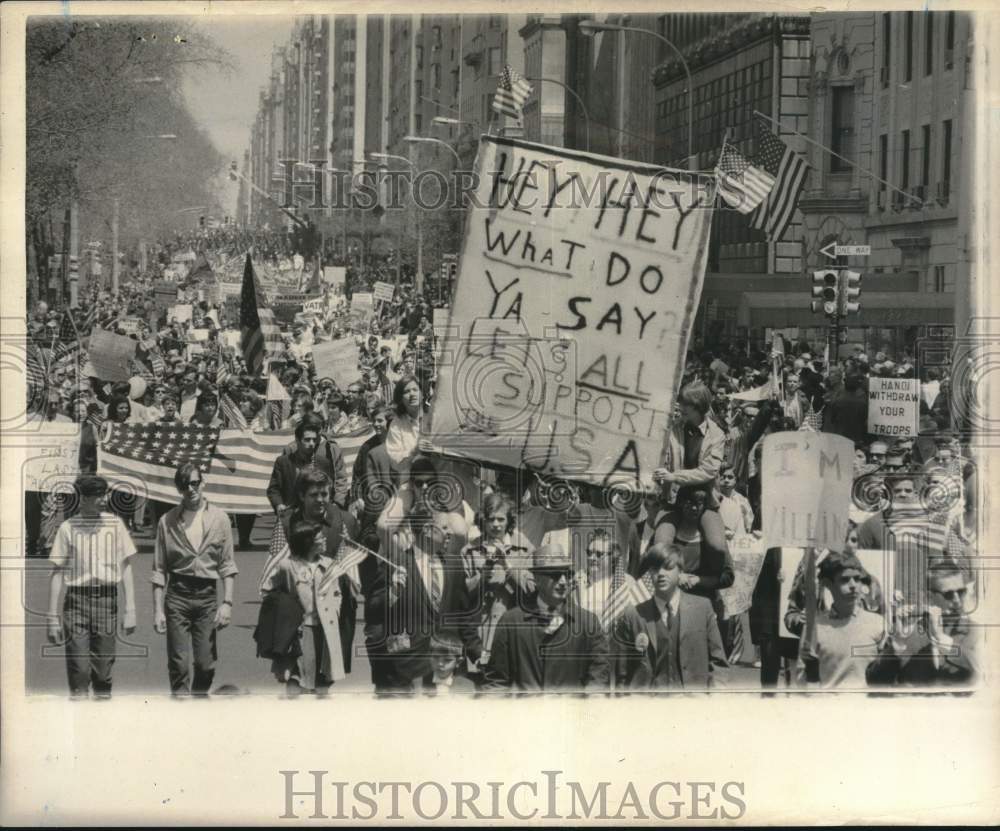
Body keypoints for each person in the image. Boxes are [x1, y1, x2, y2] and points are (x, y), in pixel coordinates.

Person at [46, 475, 137, 698]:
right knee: (79, 670)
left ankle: (101, 719)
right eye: (98, 496)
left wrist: (130, 610)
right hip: (76, 603)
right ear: (83, 498)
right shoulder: (68, 528)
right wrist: (51, 617)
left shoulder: (115, 525)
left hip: (107, 604)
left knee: (103, 674)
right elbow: (57, 572)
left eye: (105, 494)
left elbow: (126, 567)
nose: (104, 499)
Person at [152, 462, 238, 695]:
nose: (191, 489)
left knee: (205, 664)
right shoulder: (167, 521)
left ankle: (199, 701)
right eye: (185, 485)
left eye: (195, 483)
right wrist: (158, 609)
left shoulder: (220, 519)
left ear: (203, 483)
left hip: (207, 597)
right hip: (177, 596)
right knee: (178, 663)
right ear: (179, 489)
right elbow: (159, 569)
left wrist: (227, 603)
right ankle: (181, 710)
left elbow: (227, 564)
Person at [481, 543, 610, 694]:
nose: (563, 581)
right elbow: (496, 683)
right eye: (555, 575)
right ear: (537, 578)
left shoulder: (588, 623)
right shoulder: (511, 622)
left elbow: (598, 677)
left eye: (567, 574)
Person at [614, 543, 729, 690]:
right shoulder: (634, 614)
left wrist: (713, 699)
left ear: (680, 571)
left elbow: (718, 662)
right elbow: (622, 673)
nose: (661, 573)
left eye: (668, 567)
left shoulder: (702, 608)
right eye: (655, 569)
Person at [260, 517, 349, 694]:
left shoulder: (328, 564)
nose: (324, 540)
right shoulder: (287, 566)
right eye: (320, 539)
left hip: (325, 629)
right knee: (299, 677)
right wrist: (284, 616)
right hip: (301, 631)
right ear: (308, 542)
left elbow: (337, 592)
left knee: (323, 677)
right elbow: (268, 591)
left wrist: (335, 611)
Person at [285, 466, 359, 676]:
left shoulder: (346, 522)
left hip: (336, 607)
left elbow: (355, 566)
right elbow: (279, 569)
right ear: (301, 495)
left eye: (324, 494)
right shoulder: (287, 523)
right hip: (300, 608)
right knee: (300, 672)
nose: (320, 500)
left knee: (330, 672)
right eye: (313, 495)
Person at [868, 561, 980, 686]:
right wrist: (897, 646)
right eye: (948, 594)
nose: (957, 600)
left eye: (961, 592)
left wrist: (944, 641)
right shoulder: (908, 631)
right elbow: (874, 681)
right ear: (930, 596)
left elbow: (987, 677)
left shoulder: (976, 632)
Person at [460, 492, 533, 679]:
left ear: (509, 521)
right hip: (480, 634)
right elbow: (462, 597)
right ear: (483, 521)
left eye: (501, 519)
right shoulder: (469, 550)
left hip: (514, 631)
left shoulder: (524, 548)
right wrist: (482, 577)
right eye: (491, 519)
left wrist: (507, 564)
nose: (496, 525)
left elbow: (531, 591)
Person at [652, 382, 728, 555]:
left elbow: (709, 471)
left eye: (687, 404)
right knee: (660, 545)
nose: (682, 407)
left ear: (699, 406)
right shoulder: (673, 428)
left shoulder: (717, 435)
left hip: (705, 502)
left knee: (717, 546)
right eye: (681, 402)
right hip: (673, 500)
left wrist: (674, 476)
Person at [796, 551, 890, 688]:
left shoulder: (877, 624)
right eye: (845, 580)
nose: (853, 585)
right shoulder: (814, 628)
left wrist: (897, 647)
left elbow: (889, 678)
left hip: (868, 706)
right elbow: (802, 682)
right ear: (828, 584)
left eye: (857, 579)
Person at [268, 414, 349, 517]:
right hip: (291, 515)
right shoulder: (283, 461)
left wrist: (336, 504)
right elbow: (274, 489)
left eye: (314, 440)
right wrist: (278, 504)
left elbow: (332, 486)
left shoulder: (324, 461)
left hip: (317, 516)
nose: (311, 443)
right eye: (307, 440)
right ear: (297, 440)